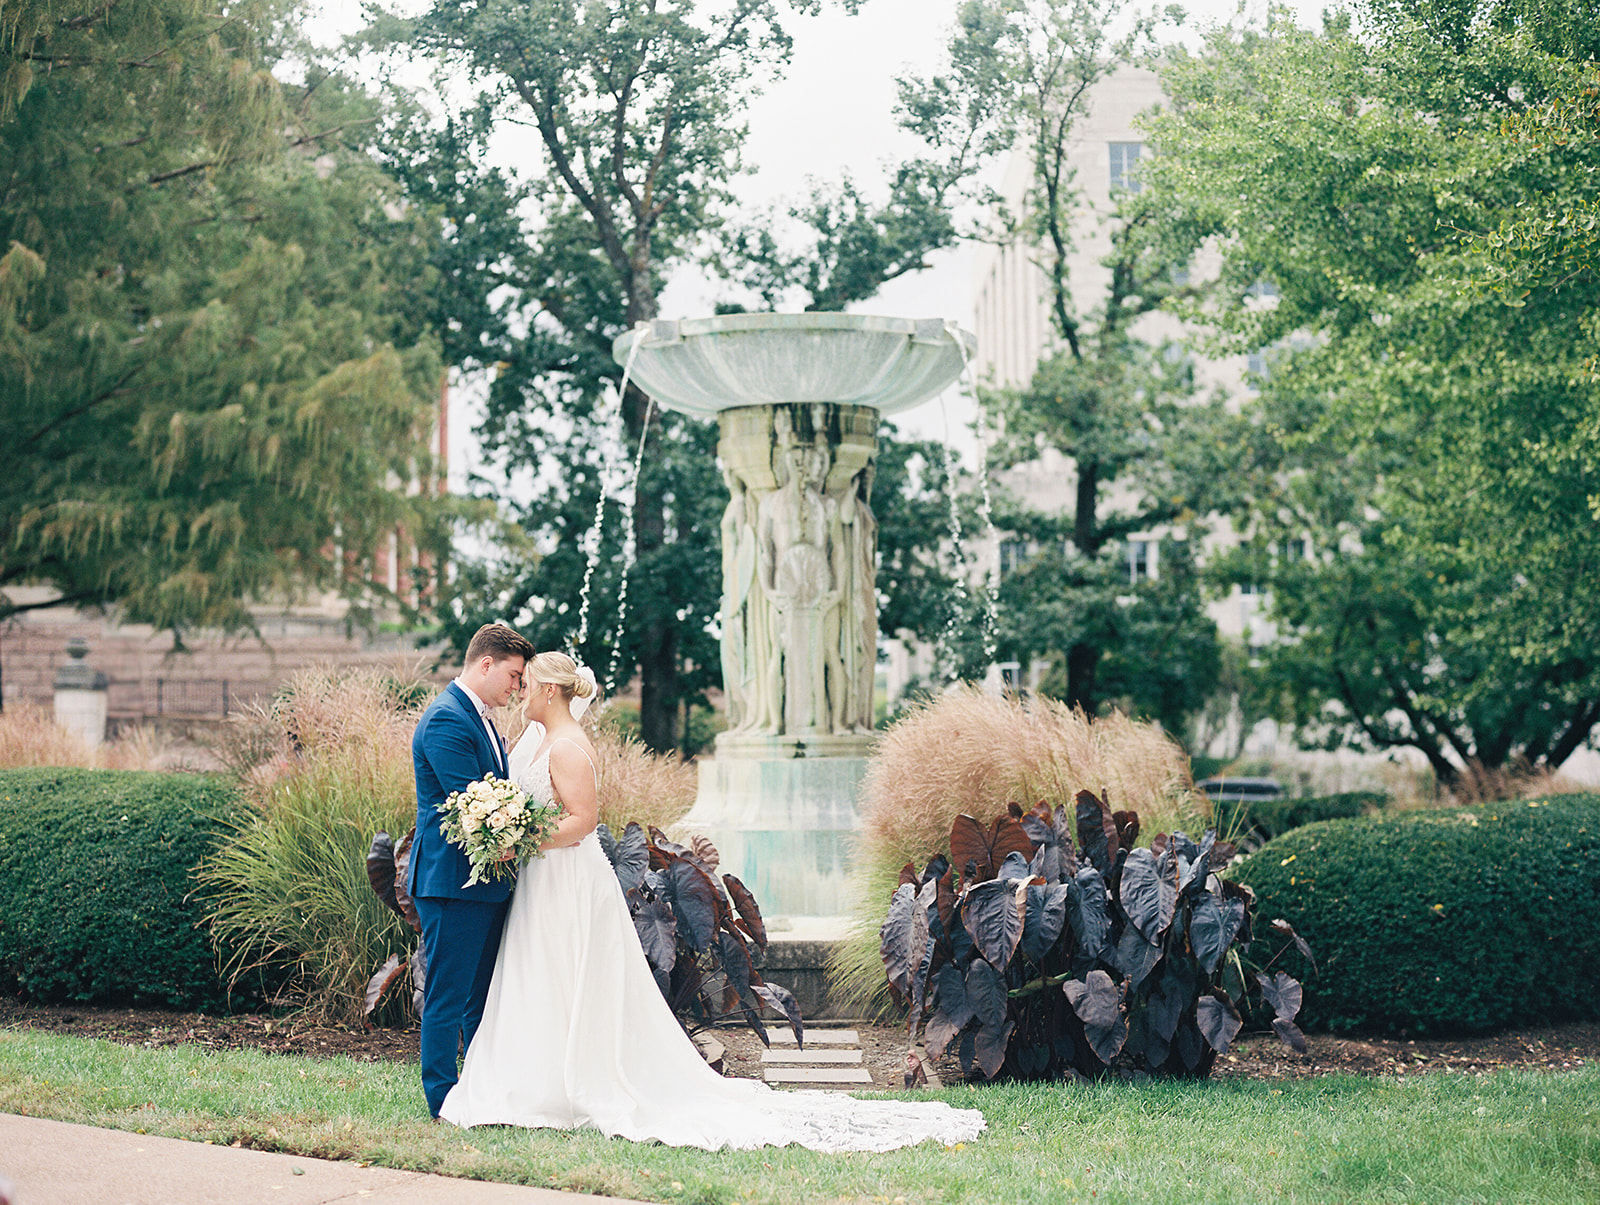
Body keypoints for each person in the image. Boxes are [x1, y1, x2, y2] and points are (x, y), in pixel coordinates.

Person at [438, 651, 987, 1152]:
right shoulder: (534, 741)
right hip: (541, 880)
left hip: (566, 878)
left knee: (566, 971)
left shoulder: (568, 747)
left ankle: (570, 1081)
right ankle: (538, 1076)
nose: (521, 693)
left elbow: (582, 821)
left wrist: (519, 839)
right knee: (542, 974)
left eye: (529, 685)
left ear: (553, 691)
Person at [408, 621, 535, 1119]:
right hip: (452, 884)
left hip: (482, 885)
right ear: (486, 663)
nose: (518, 687)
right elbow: (473, 804)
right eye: (514, 674)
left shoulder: (480, 716)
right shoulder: (446, 719)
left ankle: (478, 1089)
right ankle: (441, 1098)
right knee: (448, 993)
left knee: (478, 997)